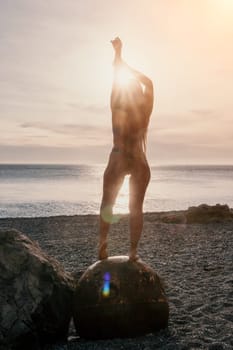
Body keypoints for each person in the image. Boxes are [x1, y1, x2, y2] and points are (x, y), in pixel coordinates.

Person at [98, 37, 154, 261]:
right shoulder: (144, 112)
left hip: (119, 156)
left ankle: (102, 245)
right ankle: (132, 252)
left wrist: (119, 55)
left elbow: (115, 76)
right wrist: (127, 66)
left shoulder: (116, 106)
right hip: (139, 158)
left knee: (107, 203)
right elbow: (149, 82)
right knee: (135, 208)